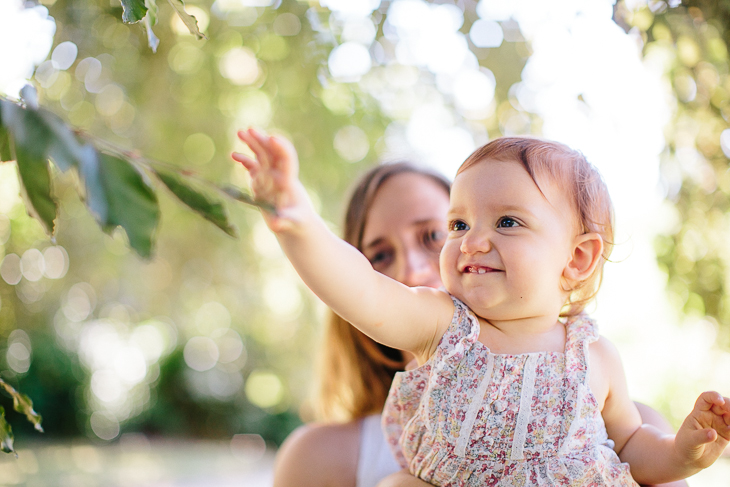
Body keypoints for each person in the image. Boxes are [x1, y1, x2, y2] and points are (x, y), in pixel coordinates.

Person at [233, 130, 730, 485]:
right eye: (459, 225)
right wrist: (296, 219)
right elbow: (359, 288)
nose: (472, 242)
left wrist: (683, 454)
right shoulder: (444, 328)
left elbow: (630, 448)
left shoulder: (594, 355)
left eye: (508, 223)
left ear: (577, 258)